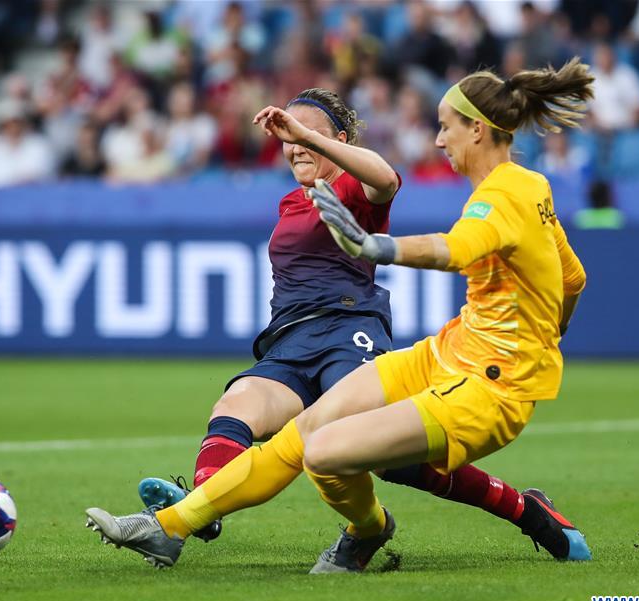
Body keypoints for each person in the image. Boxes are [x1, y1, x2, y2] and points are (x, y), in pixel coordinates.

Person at [86, 70, 593, 570]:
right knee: (291, 431)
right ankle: (172, 524)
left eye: (445, 127)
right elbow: (572, 279)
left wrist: (374, 243)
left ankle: (383, 528)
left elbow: (443, 236)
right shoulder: (528, 186)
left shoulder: (396, 190)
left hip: (393, 347)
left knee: (346, 453)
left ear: (477, 130)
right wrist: (552, 333)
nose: (438, 140)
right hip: (382, 347)